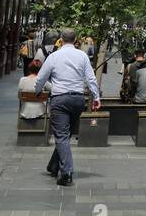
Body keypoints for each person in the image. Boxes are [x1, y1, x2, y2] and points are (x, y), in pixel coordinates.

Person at [34, 29, 101, 186]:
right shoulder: (82, 56)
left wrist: (38, 91)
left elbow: (41, 77)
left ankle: (66, 173)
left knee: (62, 136)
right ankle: (53, 165)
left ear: (61, 39)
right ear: (75, 39)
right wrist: (96, 97)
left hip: (60, 99)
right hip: (78, 99)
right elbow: (90, 78)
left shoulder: (54, 56)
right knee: (65, 134)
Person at [17, 57, 46, 123]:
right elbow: (52, 89)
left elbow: (19, 95)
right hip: (40, 110)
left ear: (29, 69)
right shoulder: (42, 80)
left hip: (25, 109)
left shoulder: (22, 80)